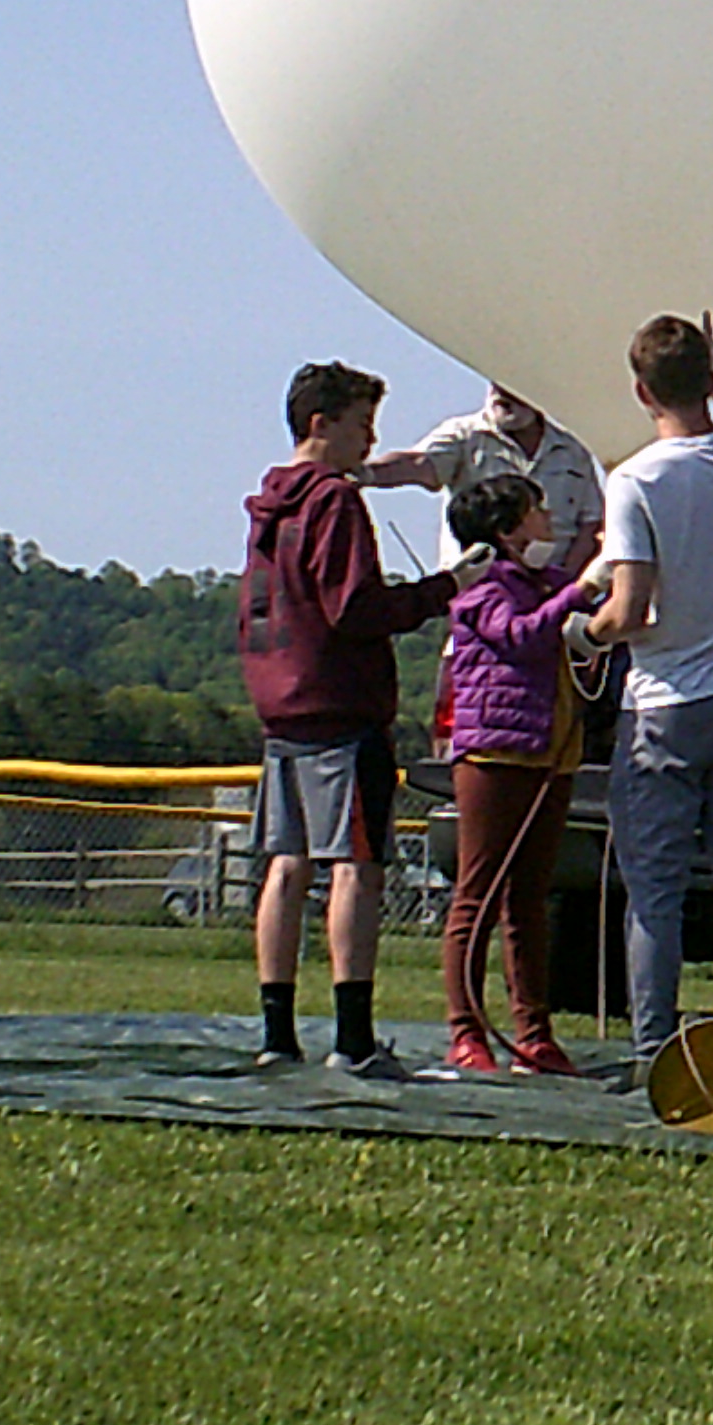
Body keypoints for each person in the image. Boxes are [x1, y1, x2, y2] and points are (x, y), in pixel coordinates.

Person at [575, 310, 713, 1074]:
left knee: (656, 889)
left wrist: (586, 632)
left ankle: (654, 1051)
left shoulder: (636, 479)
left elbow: (631, 609)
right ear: (707, 379)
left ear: (640, 391)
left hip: (666, 700)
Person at [238, 361, 460, 1076]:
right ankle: (354, 1041)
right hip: (341, 707)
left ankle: (276, 1033)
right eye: (361, 425)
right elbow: (356, 610)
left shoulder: (272, 506)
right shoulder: (335, 502)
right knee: (356, 869)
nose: (370, 440)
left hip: (282, 708)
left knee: (286, 865)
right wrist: (443, 591)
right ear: (320, 424)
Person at [433, 473, 590, 1077]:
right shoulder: (482, 590)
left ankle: (534, 1034)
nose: (548, 520)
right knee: (477, 895)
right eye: (536, 511)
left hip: (551, 753)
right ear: (506, 530)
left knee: (529, 901)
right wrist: (579, 596)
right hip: (494, 756)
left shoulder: (545, 583)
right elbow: (521, 638)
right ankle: (466, 1032)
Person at [361, 385, 607, 574]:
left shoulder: (573, 449)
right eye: (496, 386)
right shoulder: (464, 435)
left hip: (554, 599)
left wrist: (561, 586)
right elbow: (419, 464)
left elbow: (591, 525)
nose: (502, 395)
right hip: (480, 587)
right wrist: (364, 474)